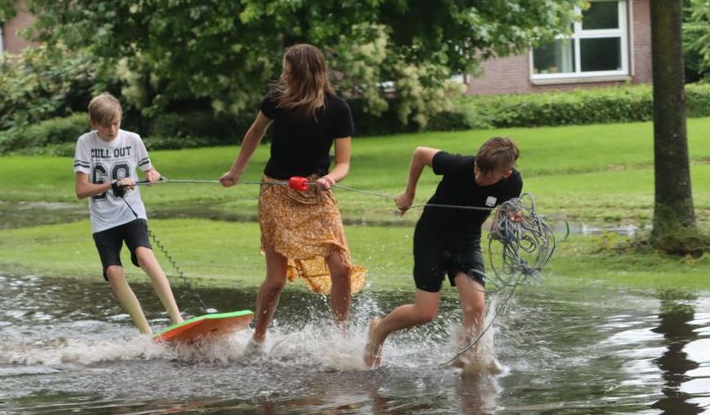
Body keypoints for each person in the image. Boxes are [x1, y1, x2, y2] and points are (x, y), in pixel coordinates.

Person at [219, 43, 366, 350]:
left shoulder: (338, 109)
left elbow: (343, 163)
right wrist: (236, 171)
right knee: (275, 281)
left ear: (303, 74)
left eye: (287, 70)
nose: (282, 75)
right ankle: (257, 340)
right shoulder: (276, 101)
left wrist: (329, 178)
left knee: (341, 269)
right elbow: (255, 133)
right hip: (276, 191)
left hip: (316, 194)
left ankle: (340, 339)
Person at [364, 137, 522, 370]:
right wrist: (409, 194)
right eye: (478, 169)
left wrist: (511, 219)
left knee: (477, 306)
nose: (478, 177)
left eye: (487, 176)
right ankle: (379, 329)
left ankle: (467, 361)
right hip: (432, 237)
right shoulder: (458, 165)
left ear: (505, 174)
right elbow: (420, 153)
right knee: (425, 313)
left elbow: (504, 215)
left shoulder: (512, 182)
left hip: (467, 242)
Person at [74, 93, 182, 335]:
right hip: (103, 221)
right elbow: (81, 190)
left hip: (131, 213)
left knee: (145, 256)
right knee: (113, 272)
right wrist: (111, 184)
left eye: (116, 123)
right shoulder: (85, 143)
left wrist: (152, 174)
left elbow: (149, 168)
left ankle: (177, 320)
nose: (112, 129)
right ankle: (147, 333)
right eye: (105, 125)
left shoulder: (133, 139)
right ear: (93, 124)